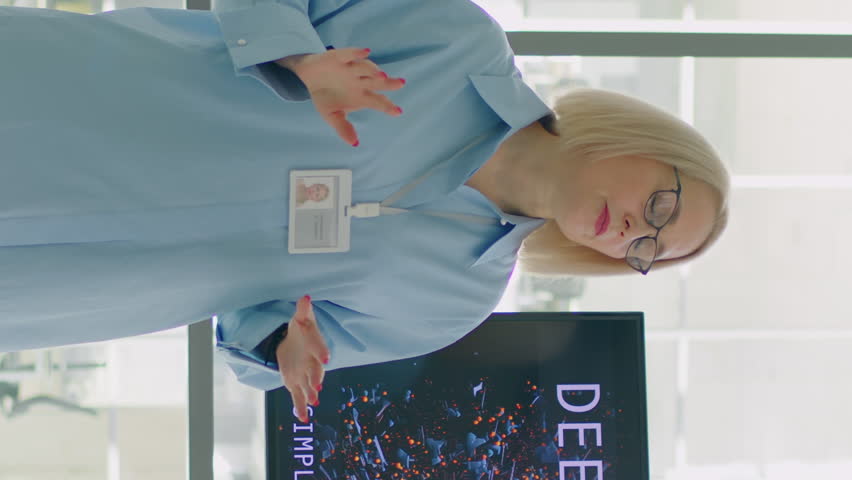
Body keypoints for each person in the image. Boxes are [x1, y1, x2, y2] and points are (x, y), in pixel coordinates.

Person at [0, 0, 729, 423]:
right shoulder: (458, 45)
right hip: (79, 101)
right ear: (638, 140)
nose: (637, 232)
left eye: (649, 251)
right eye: (661, 205)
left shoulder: (454, 303)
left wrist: (285, 346)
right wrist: (301, 59)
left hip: (83, 273)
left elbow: (259, 345)